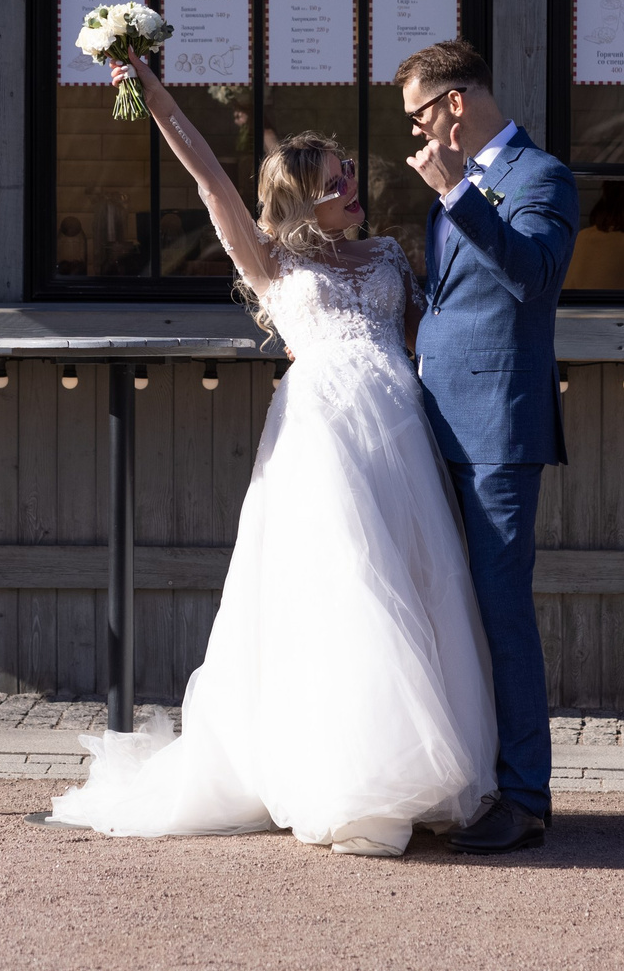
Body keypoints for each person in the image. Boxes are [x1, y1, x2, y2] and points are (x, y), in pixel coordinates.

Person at [46, 52, 496, 858]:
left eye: (349, 173)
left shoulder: (390, 254)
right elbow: (211, 178)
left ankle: (427, 772)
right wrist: (154, 95)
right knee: (347, 594)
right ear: (299, 207)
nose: (351, 188)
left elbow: (431, 334)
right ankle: (352, 783)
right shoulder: (272, 262)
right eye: (334, 185)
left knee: (417, 587)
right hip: (323, 438)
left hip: (400, 433)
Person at [396, 40, 579, 854]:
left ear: (456, 104)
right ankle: (461, 776)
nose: (417, 134)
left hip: (499, 429)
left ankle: (525, 796)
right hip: (435, 421)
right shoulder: (458, 188)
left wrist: (460, 194)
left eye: (419, 115)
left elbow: (535, 277)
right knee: (441, 604)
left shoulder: (540, 178)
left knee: (503, 612)